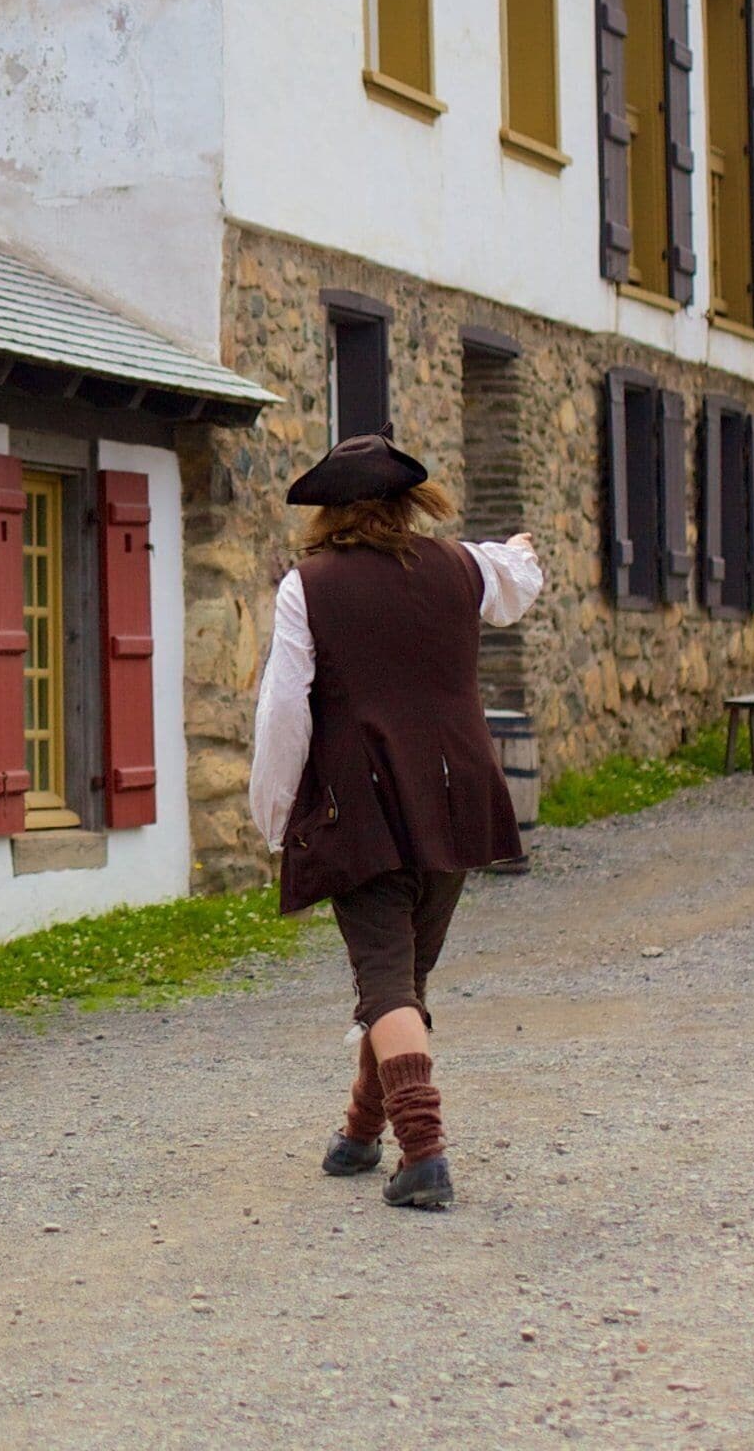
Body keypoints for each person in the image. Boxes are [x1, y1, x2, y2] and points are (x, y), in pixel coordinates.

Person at [249, 435, 545, 1211]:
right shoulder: (460, 567)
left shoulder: (307, 588)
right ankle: (359, 1132)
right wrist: (516, 552)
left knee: (387, 984)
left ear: (331, 514)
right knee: (402, 983)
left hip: (365, 806)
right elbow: (513, 579)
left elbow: (284, 711)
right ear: (409, 504)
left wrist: (275, 813)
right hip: (458, 797)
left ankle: (425, 1152)